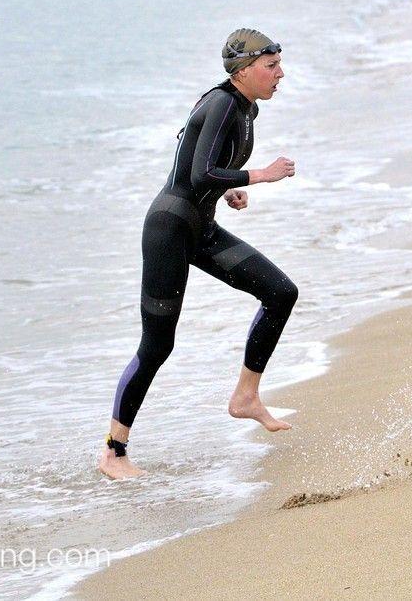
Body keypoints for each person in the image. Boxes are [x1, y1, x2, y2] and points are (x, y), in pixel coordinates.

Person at [100, 29, 299, 480]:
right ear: (244, 71)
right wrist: (259, 175)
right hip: (170, 230)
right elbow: (200, 170)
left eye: (279, 64)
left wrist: (228, 191)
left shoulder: (245, 107)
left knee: (280, 292)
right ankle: (114, 451)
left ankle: (246, 397)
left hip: (200, 227)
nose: (280, 73)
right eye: (271, 66)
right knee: (157, 345)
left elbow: (206, 173)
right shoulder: (224, 102)